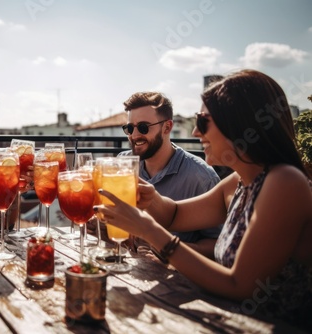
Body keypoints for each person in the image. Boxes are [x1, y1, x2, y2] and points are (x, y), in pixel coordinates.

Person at [95, 69, 312, 329]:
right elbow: (176, 215)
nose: (196, 132)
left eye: (204, 121)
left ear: (238, 123)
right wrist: (151, 198)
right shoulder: (239, 181)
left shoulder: (285, 182)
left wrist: (149, 230)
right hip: (226, 319)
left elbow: (239, 285)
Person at [118, 91, 221, 258]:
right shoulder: (122, 164)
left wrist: (168, 251)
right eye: (129, 128)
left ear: (167, 127)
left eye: (143, 127)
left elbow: (217, 245)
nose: (135, 135)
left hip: (175, 280)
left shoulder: (201, 177)